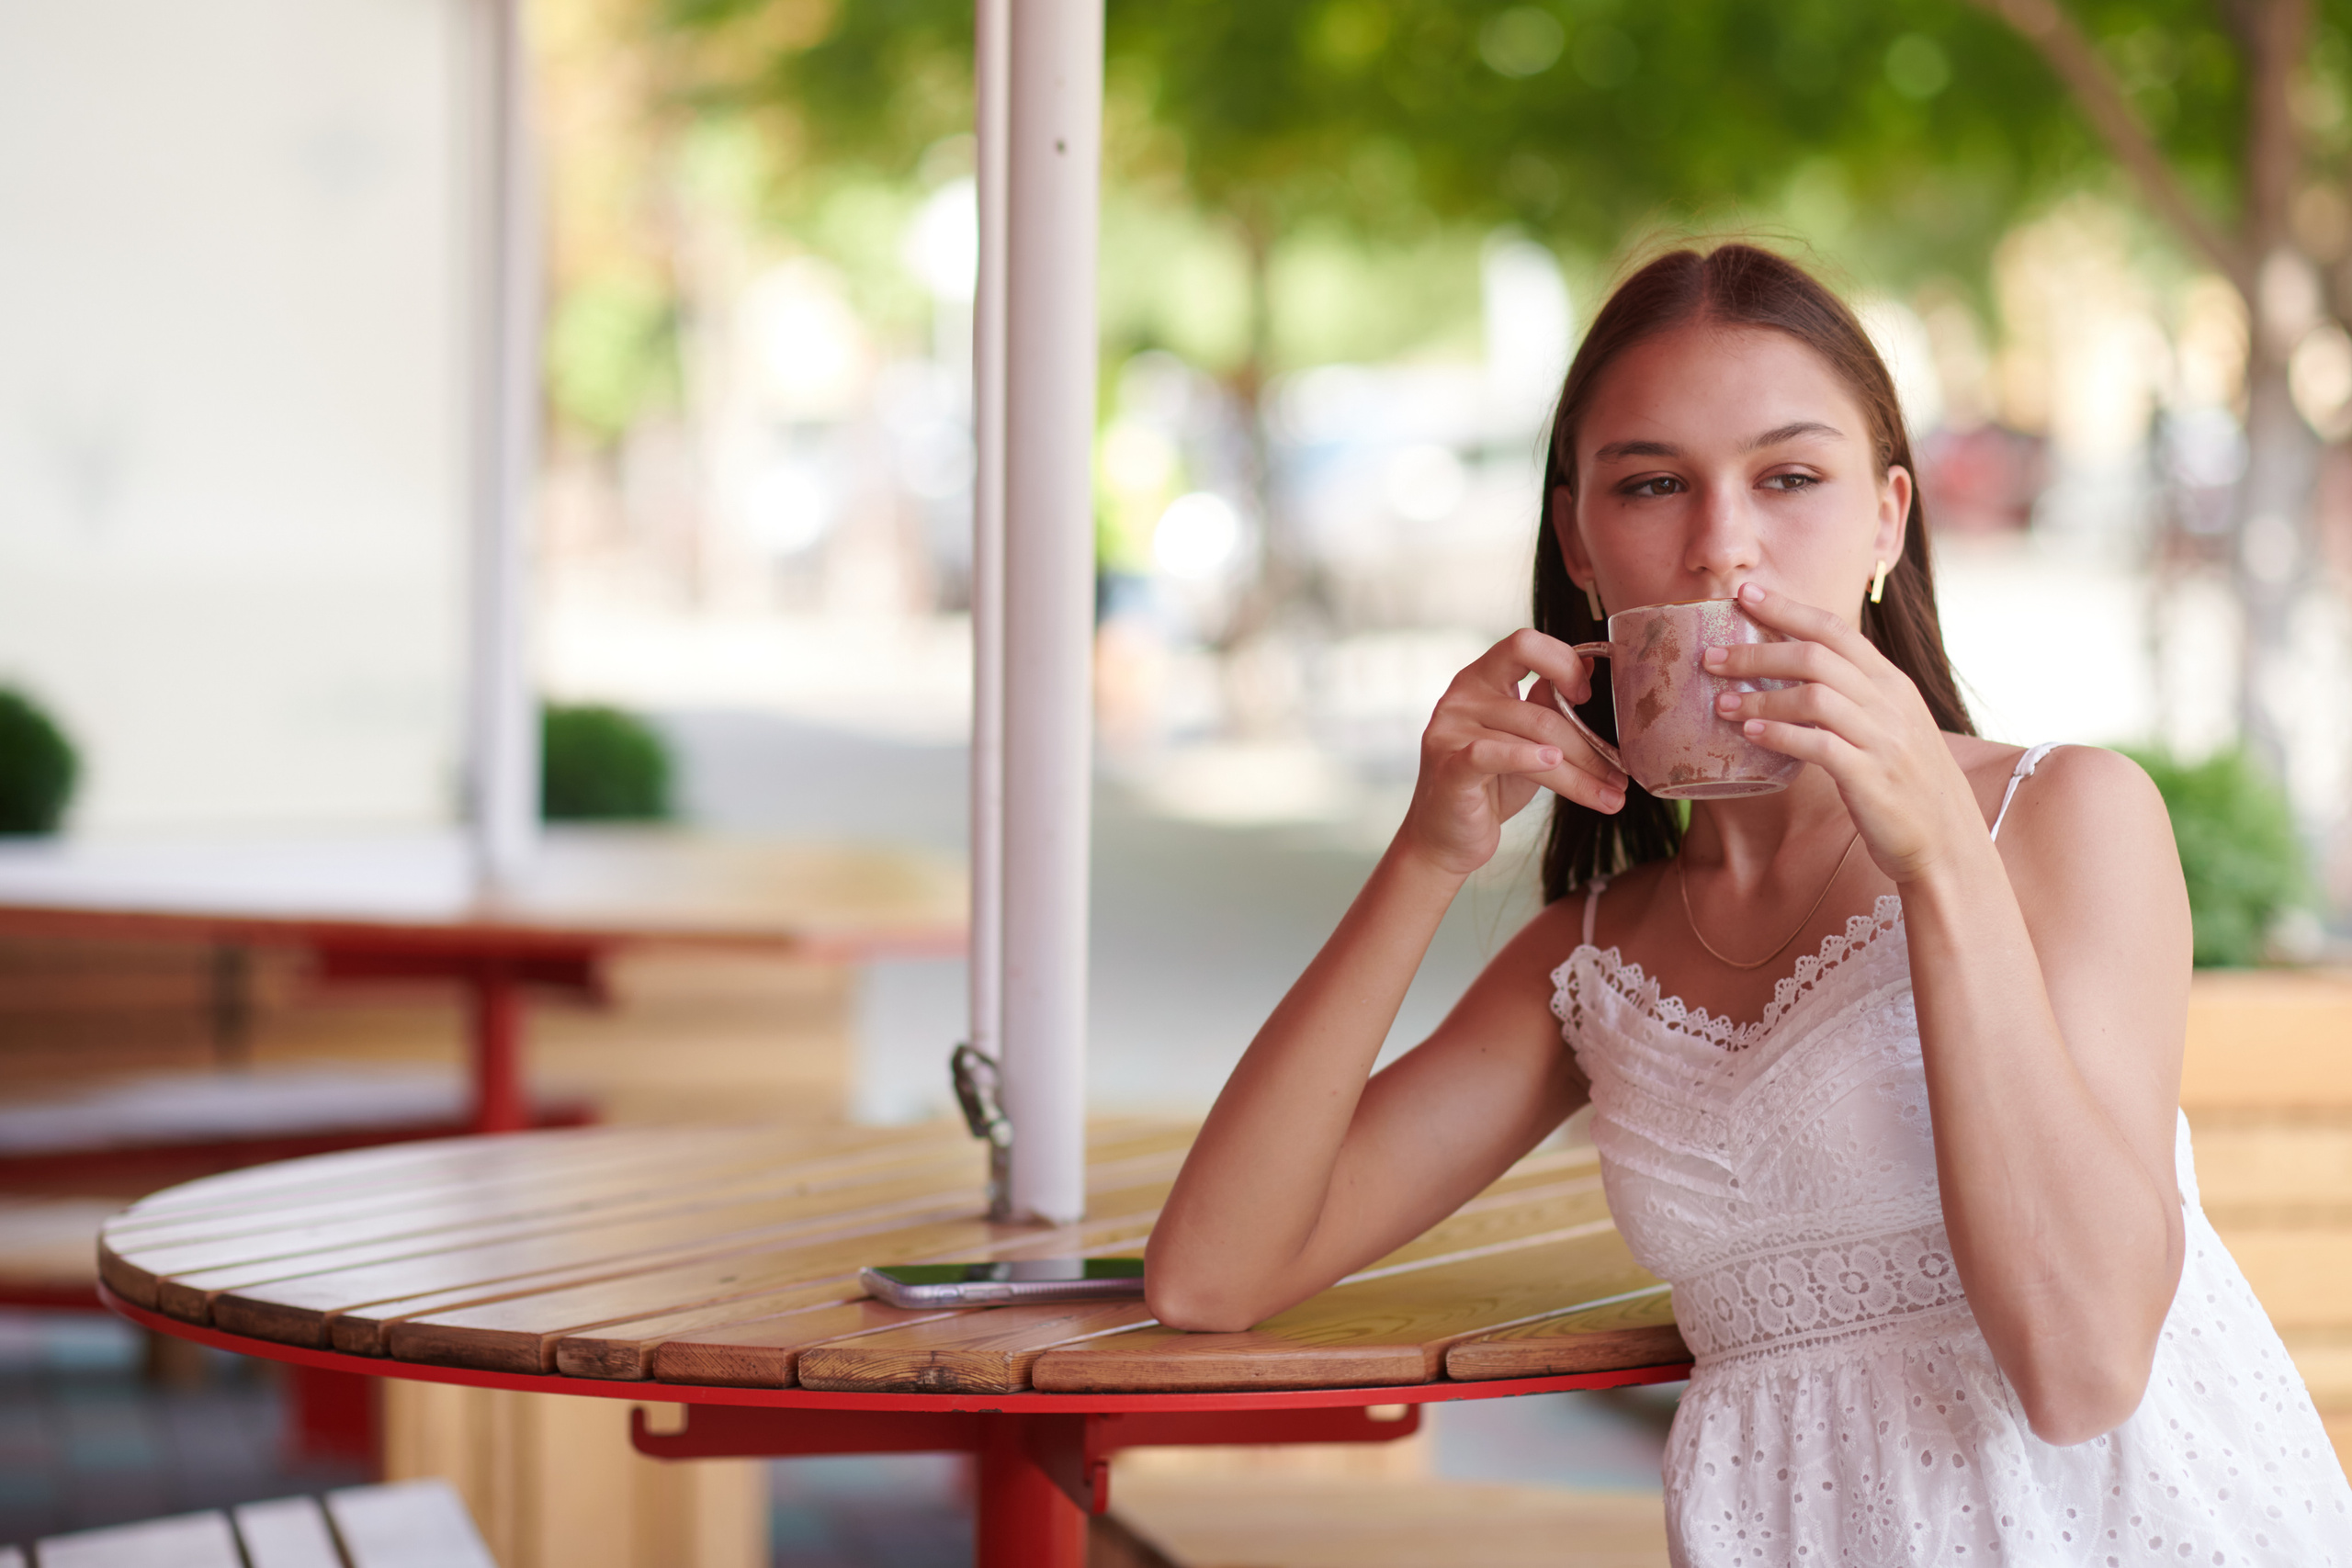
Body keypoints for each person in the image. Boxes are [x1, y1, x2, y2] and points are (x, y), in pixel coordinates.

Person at [1145, 243, 2352, 1562]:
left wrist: (1940, 861)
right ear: (1578, 542)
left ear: (1887, 520)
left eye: (1790, 478)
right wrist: (1425, 858)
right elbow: (1212, 1276)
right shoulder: (1600, 961)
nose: (1723, 547)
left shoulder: (2063, 820)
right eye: (1655, 485)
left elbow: (2084, 1371)